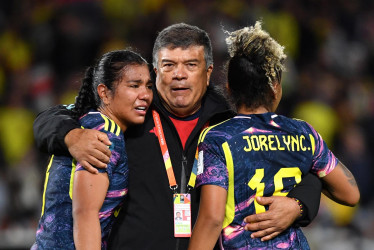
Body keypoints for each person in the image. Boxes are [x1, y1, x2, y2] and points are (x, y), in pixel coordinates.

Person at [33, 23, 323, 249]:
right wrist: (71, 135)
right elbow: (51, 117)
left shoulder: (229, 120)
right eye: (169, 65)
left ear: (208, 73)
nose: (179, 75)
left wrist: (298, 206)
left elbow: (306, 164)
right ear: (156, 70)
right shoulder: (132, 109)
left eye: (191, 65)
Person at [188, 21, 360, 250]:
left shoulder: (217, 138)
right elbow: (350, 194)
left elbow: (212, 218)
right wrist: (297, 204)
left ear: (229, 88)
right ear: (276, 87)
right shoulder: (304, 134)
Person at [31, 49, 153, 249]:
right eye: (134, 85)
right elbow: (85, 213)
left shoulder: (83, 118)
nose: (145, 95)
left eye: (148, 86)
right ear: (104, 92)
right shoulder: (106, 134)